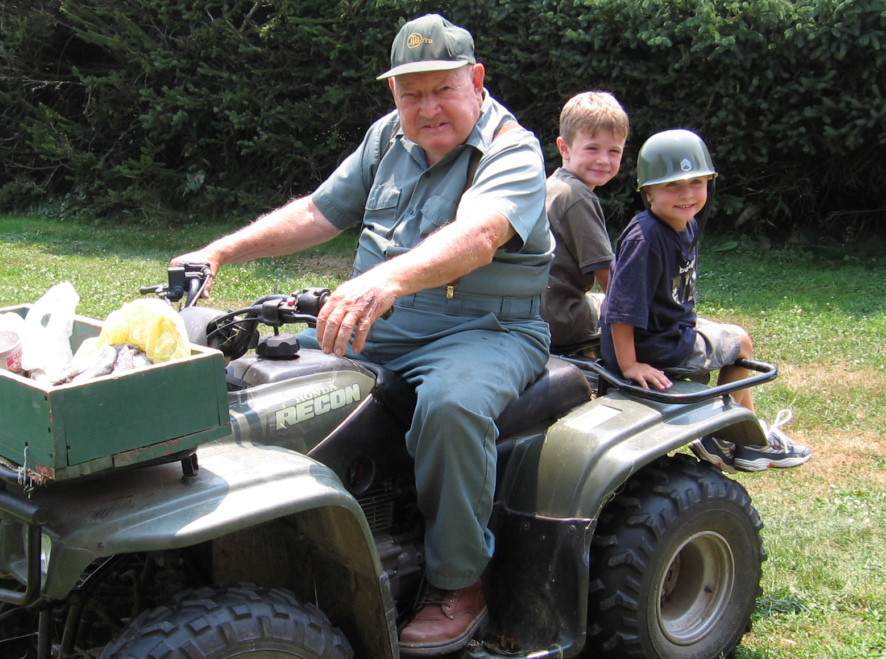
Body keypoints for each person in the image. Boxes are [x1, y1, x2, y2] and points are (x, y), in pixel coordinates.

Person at [172, 14, 554, 655]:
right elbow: (320, 211)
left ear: (476, 79)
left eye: (441, 89)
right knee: (247, 373)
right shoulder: (387, 140)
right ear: (394, 96)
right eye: (411, 94)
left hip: (483, 332)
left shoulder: (512, 149)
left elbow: (480, 235)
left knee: (452, 408)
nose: (426, 107)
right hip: (374, 323)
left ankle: (458, 583)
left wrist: (386, 282)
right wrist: (221, 251)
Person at [600, 129, 811, 472]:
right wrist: (629, 366)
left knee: (726, 335)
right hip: (653, 346)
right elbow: (621, 310)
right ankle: (723, 435)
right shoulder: (646, 238)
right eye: (672, 185)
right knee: (740, 341)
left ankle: (751, 439)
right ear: (648, 192)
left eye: (697, 182)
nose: (687, 194)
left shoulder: (685, 224)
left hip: (669, 331)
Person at [540, 91, 628, 349]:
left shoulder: (552, 186)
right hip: (561, 319)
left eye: (614, 151)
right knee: (622, 310)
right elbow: (607, 275)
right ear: (564, 148)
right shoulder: (576, 196)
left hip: (537, 315)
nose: (603, 159)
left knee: (596, 301)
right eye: (592, 148)